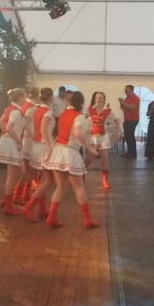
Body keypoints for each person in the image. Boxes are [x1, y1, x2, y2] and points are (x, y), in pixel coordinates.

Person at [43, 92, 99, 228]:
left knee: (60, 187)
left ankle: (51, 217)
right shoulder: (79, 116)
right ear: (81, 102)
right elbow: (79, 134)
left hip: (58, 150)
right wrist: (90, 149)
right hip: (70, 153)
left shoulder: (63, 114)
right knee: (79, 187)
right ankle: (87, 219)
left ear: (68, 102)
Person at [23, 88, 56, 221]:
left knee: (43, 179)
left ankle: (42, 208)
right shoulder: (47, 111)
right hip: (43, 146)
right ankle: (29, 207)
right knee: (48, 180)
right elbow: (43, 129)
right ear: (50, 98)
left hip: (36, 144)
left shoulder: (36, 109)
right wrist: (49, 146)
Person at [0, 88, 27, 215]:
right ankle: (8, 204)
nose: (25, 98)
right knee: (13, 174)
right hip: (12, 141)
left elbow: (0, 122)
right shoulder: (16, 111)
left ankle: (7, 200)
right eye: (24, 96)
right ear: (19, 97)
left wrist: (6, 133)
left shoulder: (10, 108)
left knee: (17, 172)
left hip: (8, 140)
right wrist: (18, 140)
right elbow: (9, 127)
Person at [86, 92, 120, 188]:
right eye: (97, 98)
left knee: (105, 157)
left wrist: (116, 134)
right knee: (89, 158)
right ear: (94, 99)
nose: (98, 99)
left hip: (103, 136)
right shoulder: (89, 109)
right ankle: (81, 175)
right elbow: (81, 118)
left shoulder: (108, 111)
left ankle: (105, 179)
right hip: (92, 136)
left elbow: (117, 121)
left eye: (100, 98)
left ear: (104, 99)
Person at [16, 86, 40, 204]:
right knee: (27, 169)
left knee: (29, 169)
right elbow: (25, 124)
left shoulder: (26, 106)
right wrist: (33, 135)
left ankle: (25, 192)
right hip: (28, 140)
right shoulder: (31, 108)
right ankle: (18, 195)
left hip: (27, 139)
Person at [118, 85, 140, 158]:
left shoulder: (135, 98)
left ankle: (133, 153)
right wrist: (121, 103)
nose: (125, 91)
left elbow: (131, 107)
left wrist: (123, 102)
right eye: (125, 90)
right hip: (127, 119)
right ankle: (129, 151)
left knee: (130, 136)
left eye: (126, 90)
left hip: (133, 119)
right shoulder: (127, 98)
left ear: (131, 90)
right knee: (127, 136)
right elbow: (123, 108)